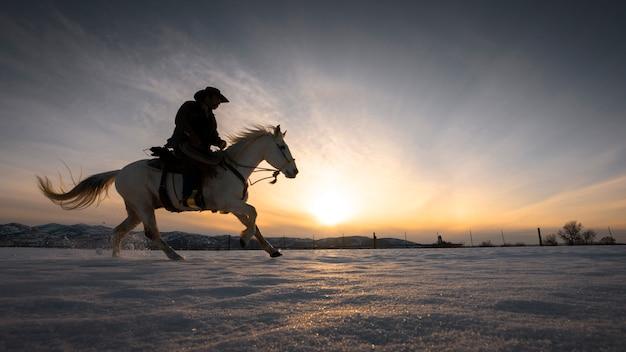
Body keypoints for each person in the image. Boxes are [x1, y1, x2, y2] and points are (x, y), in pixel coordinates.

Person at [165, 86, 229, 208]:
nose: (219, 103)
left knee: (221, 162)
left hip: (201, 148)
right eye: (217, 99)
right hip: (184, 144)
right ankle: (189, 198)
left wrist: (219, 142)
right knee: (193, 163)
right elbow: (180, 121)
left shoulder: (211, 116)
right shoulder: (189, 106)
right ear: (208, 97)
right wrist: (191, 134)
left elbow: (213, 135)